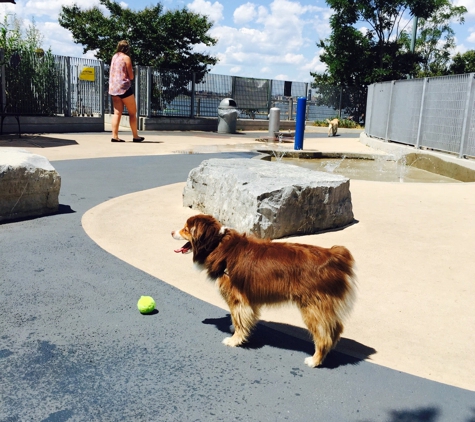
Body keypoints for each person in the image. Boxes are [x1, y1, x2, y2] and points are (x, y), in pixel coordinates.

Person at [108, 40, 144, 142]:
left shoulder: (114, 57)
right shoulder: (126, 58)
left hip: (113, 88)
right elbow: (131, 76)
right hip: (124, 88)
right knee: (132, 112)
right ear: (127, 48)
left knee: (117, 113)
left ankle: (114, 136)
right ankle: (135, 136)